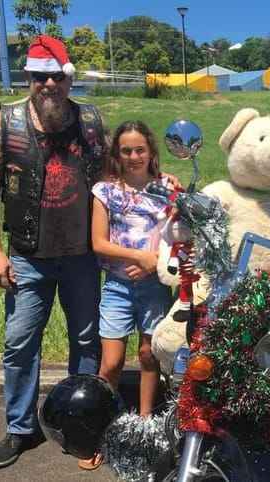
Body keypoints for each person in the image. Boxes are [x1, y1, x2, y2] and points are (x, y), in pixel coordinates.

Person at [0, 35, 110, 469]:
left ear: (67, 78)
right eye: (39, 76)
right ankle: (19, 427)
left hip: (83, 255)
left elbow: (111, 186)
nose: (48, 83)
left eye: (56, 76)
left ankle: (82, 422)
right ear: (28, 77)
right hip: (28, 255)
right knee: (19, 344)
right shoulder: (5, 123)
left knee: (86, 341)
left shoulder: (91, 122)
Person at [80, 121, 177, 470]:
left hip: (154, 285)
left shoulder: (167, 189)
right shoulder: (105, 191)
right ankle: (104, 431)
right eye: (126, 150)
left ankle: (146, 427)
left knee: (150, 355)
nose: (134, 156)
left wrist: (154, 265)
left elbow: (178, 235)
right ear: (116, 154)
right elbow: (99, 243)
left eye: (140, 149)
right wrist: (139, 257)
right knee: (112, 362)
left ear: (150, 151)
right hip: (117, 287)